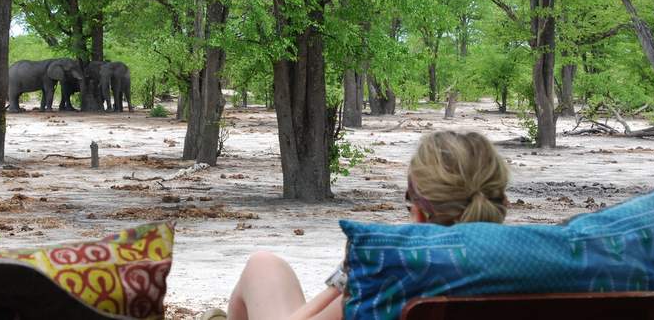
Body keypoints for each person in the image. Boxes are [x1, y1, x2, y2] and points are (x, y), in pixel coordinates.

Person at [201, 131, 510, 320]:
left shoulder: (396, 275)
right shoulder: (542, 269)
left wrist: (349, 277)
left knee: (261, 265)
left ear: (417, 211)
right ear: (501, 204)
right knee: (265, 265)